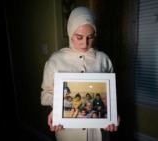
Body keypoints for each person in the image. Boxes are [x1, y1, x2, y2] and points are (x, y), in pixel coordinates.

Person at [40, 6, 120, 141]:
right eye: (79, 37)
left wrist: (112, 113)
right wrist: (58, 109)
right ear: (70, 32)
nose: (85, 43)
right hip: (68, 131)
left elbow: (111, 92)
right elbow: (47, 92)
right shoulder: (55, 60)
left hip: (98, 132)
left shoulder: (104, 59)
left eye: (90, 37)